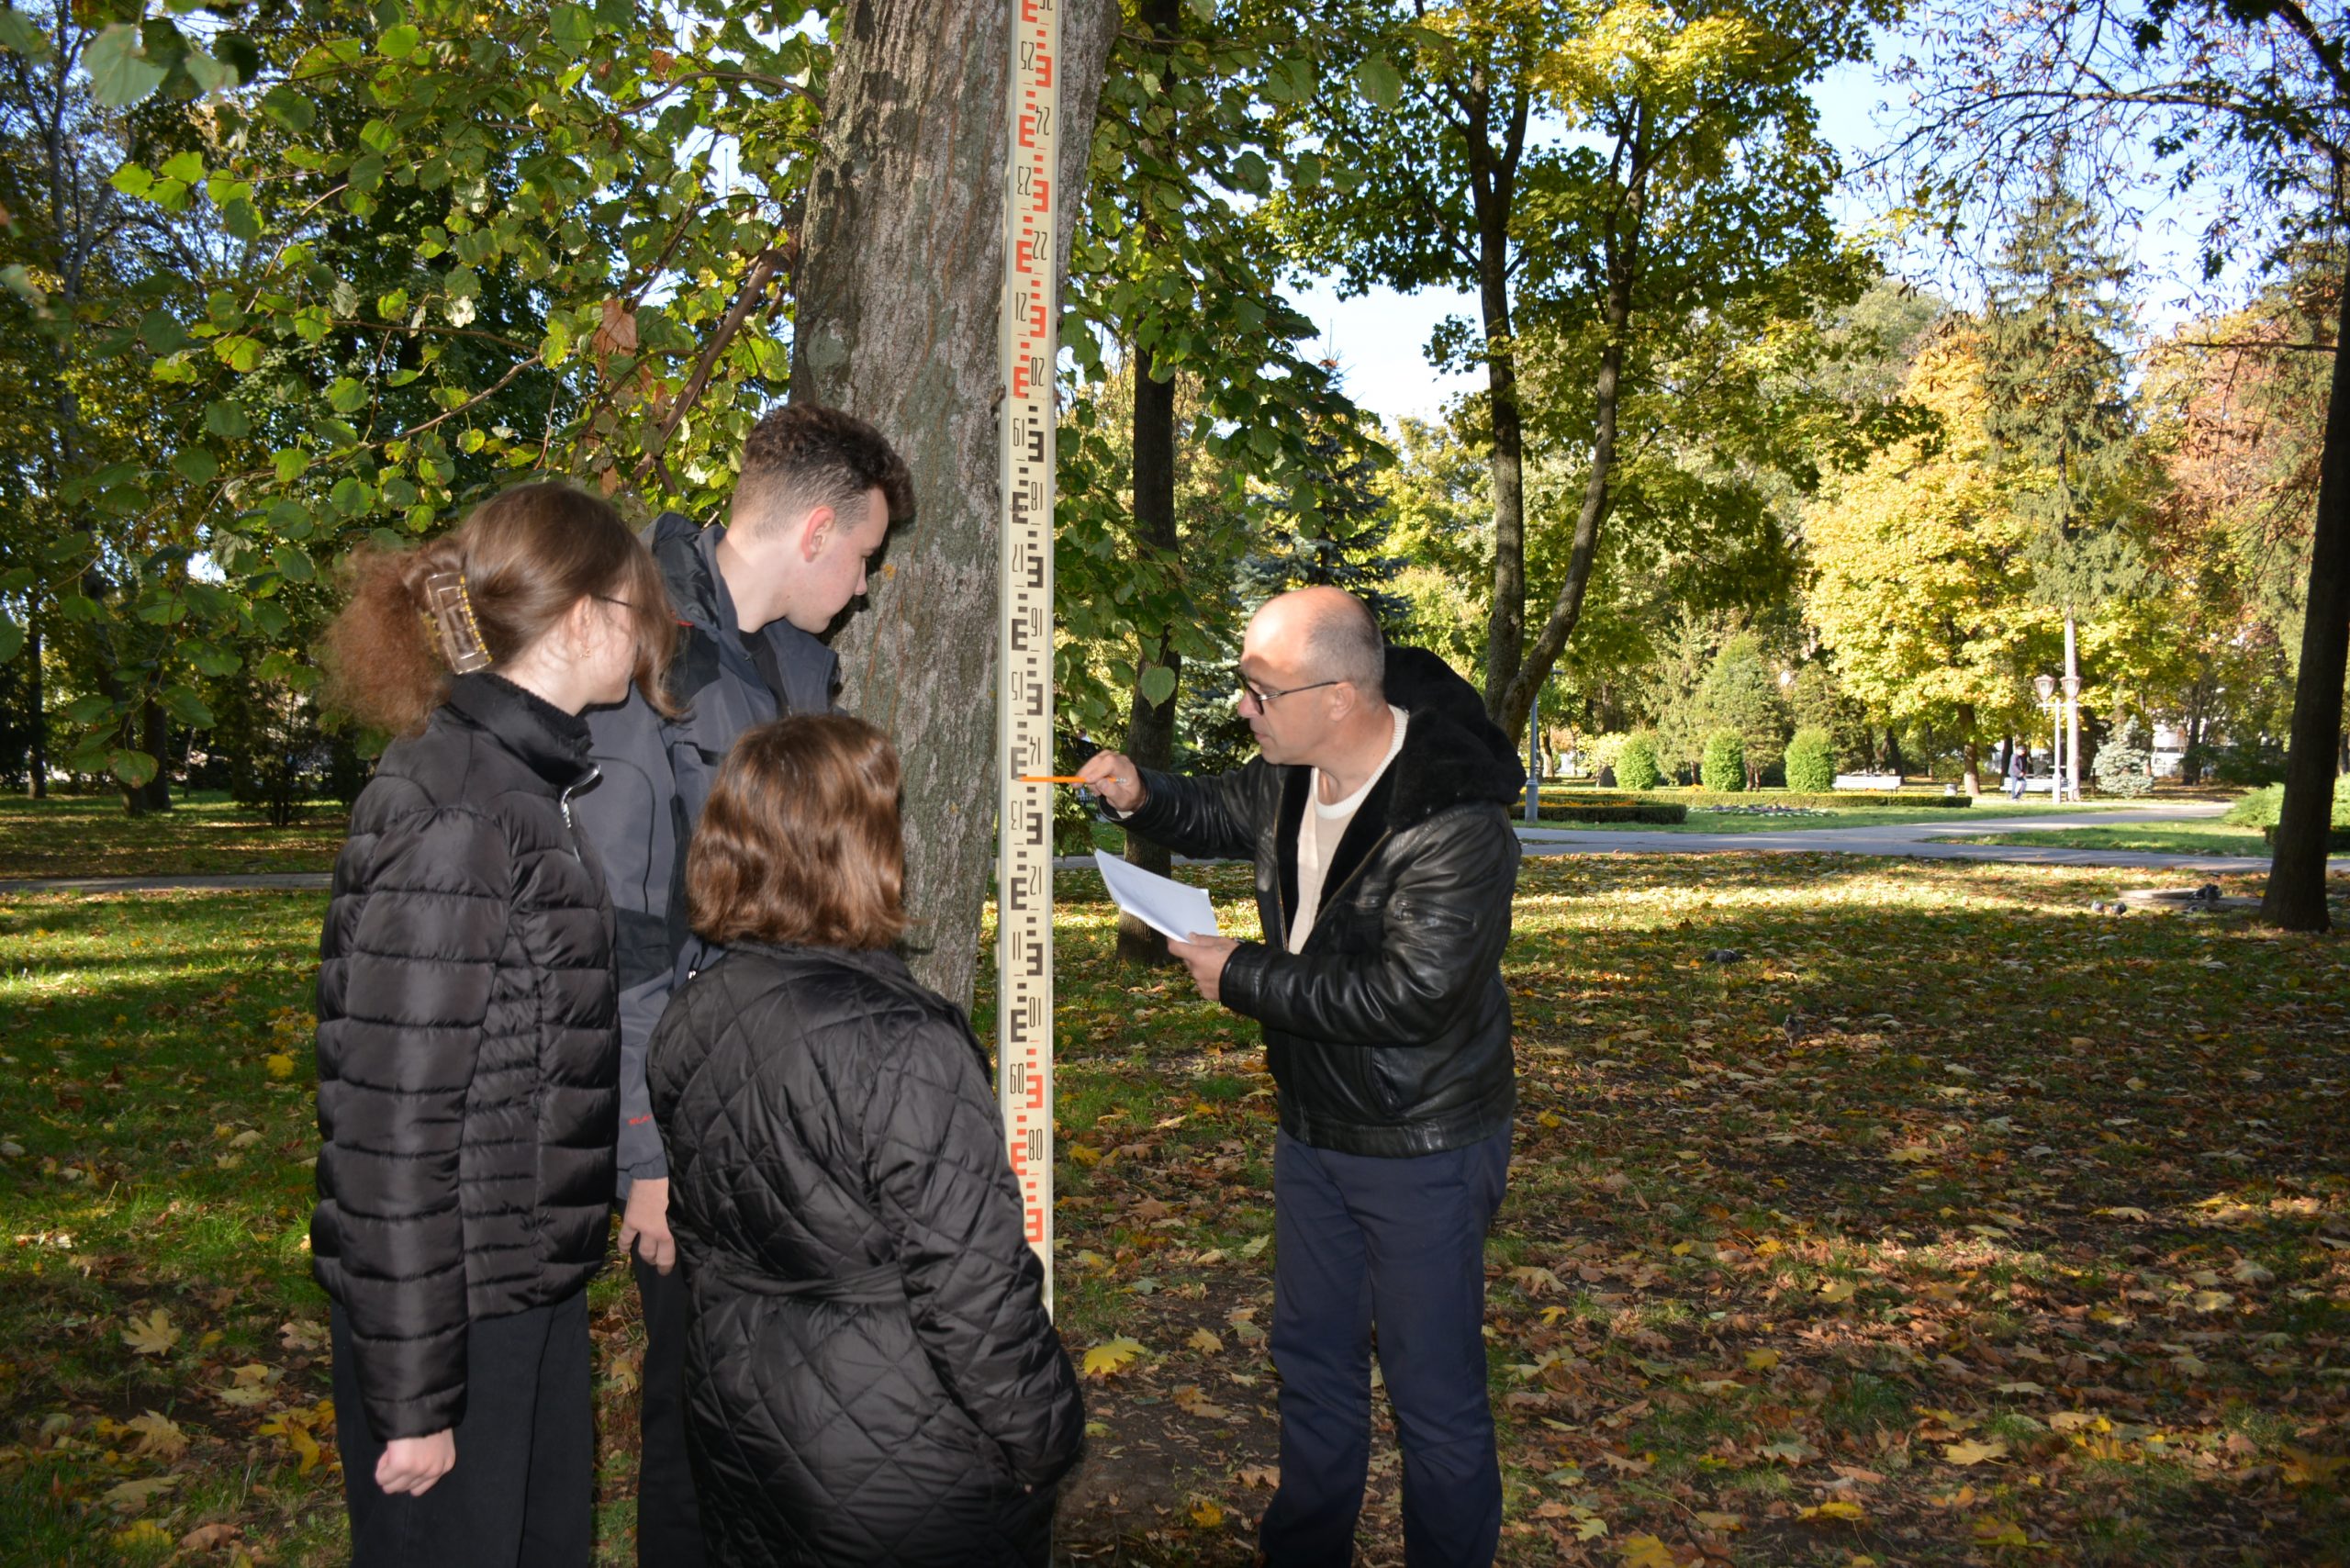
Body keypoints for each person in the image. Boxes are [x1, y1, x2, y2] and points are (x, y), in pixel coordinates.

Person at [1079, 588, 1526, 1568]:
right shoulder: (1291, 770)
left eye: (1258, 689)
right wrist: (1140, 791)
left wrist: (1241, 972)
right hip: (1311, 1131)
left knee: (1432, 1397)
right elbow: (1213, 810)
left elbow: (1411, 999)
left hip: (1422, 1145)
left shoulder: (1450, 816)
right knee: (1313, 1365)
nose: (1243, 706)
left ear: (1336, 696)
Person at [571, 404, 914, 1565]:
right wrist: (647, 1158)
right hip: (686, 1115)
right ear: (817, 528)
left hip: (784, 1105)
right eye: (864, 553)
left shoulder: (797, 671)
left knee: (772, 1409)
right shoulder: (649, 657)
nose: (864, 583)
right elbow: (625, 938)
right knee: (689, 1420)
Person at [311, 482, 678, 1566]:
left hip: (517, 1294)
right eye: (637, 603)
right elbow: (390, 1129)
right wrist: (417, 1396)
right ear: (581, 618)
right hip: (453, 1323)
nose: (650, 630)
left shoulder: (521, 786)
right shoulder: (457, 806)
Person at [647, 714, 1084, 1567]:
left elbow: (707, 1237)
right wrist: (1046, 1435)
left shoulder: (692, 1014)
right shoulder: (902, 1044)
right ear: (857, 846)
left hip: (746, 1428)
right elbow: (971, 1286)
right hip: (904, 1457)